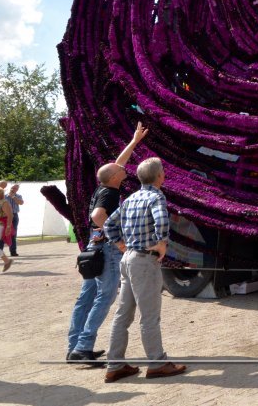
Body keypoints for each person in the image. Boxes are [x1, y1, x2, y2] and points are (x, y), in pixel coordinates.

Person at [66, 122, 148, 363]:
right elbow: (97, 216)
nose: (123, 168)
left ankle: (74, 347)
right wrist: (117, 240)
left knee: (86, 297)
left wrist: (134, 142)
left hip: (93, 247)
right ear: (114, 177)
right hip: (107, 249)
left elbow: (117, 164)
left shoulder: (103, 187)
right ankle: (83, 347)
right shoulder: (111, 193)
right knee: (106, 296)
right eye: (119, 170)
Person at [102, 157, 186, 382]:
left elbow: (108, 224)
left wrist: (120, 244)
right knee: (149, 316)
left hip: (128, 259)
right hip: (144, 262)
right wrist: (162, 243)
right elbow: (162, 221)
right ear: (160, 176)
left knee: (122, 315)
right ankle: (157, 363)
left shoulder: (130, 198)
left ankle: (115, 365)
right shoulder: (156, 197)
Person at [0, 184, 23, 256]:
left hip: (14, 215)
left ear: (17, 189)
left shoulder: (18, 196)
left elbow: (21, 202)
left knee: (13, 233)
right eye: (13, 188)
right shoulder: (4, 196)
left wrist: (13, 196)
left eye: (16, 188)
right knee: (2, 233)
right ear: (10, 188)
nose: (13, 189)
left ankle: (13, 251)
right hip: (5, 216)